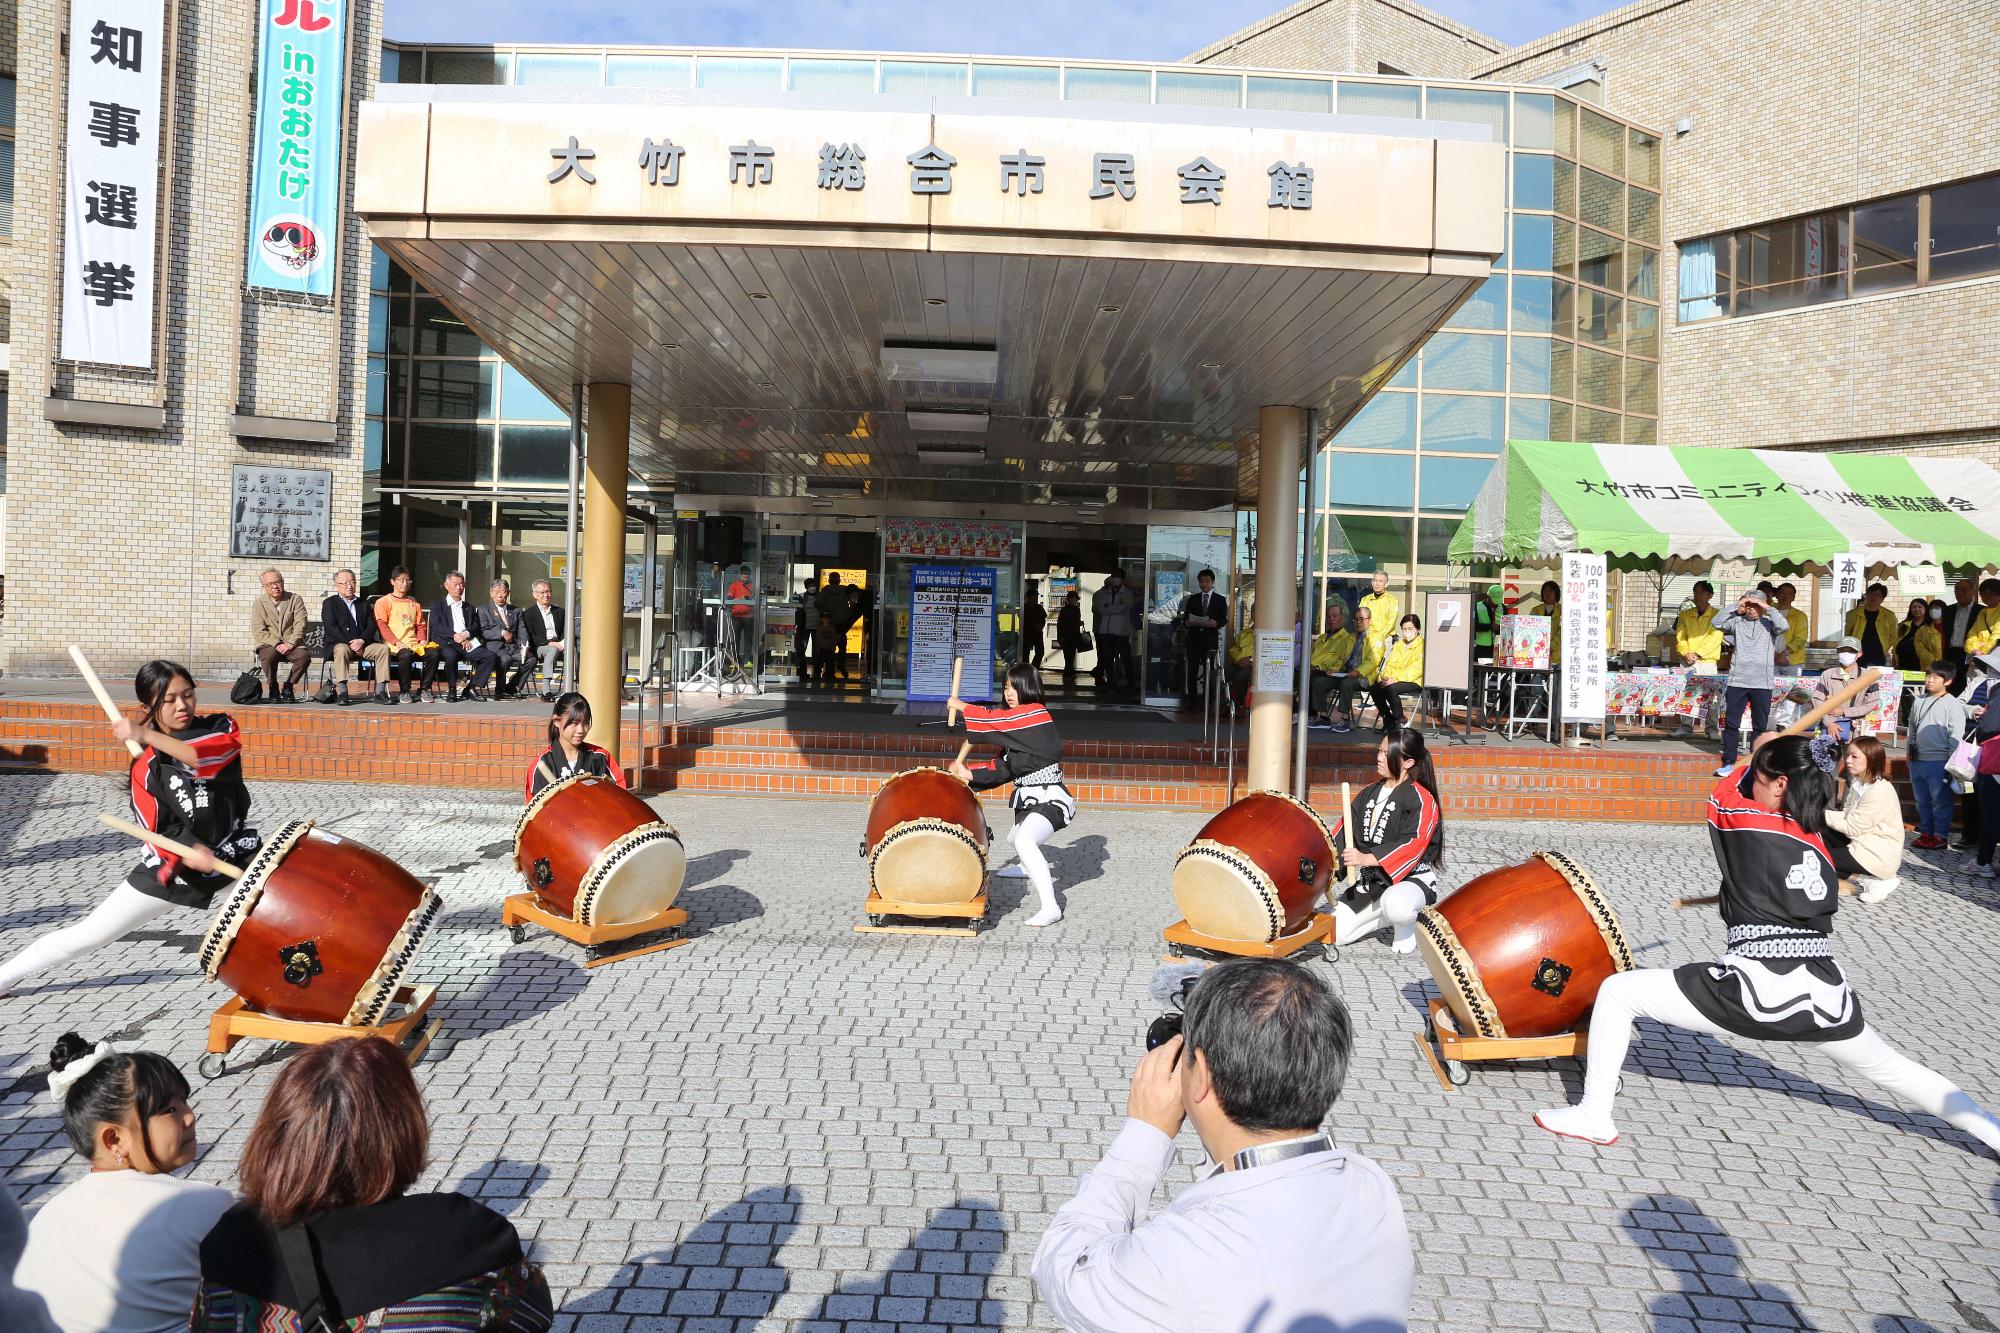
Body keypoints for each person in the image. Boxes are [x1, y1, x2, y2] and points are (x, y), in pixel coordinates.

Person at [1534, 735, 2000, 1154]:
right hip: (1825, 991)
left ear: (1780, 784)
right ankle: (1993, 1132)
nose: (1751, 784)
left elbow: (1721, 794)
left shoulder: (1752, 826)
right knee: (1894, 1068)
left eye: (1760, 778)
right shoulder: (1817, 837)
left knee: (1619, 992)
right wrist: (1769, 756)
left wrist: (1752, 755)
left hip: (1758, 984)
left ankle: (1594, 1114)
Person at [1031, 959, 1412, 1332]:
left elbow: (1062, 1268)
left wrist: (1144, 1135)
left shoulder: (1179, 1256)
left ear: (1202, 1076)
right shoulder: (1371, 1188)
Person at [192, 1037, 553, 1329]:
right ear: (401, 1130)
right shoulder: (466, 1233)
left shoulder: (234, 1237)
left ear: (278, 1132)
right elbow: (532, 1317)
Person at [0, 661, 258, 996]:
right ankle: (6, 975)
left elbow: (202, 757)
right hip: (176, 870)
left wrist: (144, 734)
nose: (182, 706)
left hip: (235, 852)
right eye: (169, 700)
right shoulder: (145, 768)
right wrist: (188, 849)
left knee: (292, 901)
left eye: (188, 695)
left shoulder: (220, 726)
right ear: (148, 705)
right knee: (89, 935)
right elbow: (159, 830)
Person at [14, 1033, 232, 1333]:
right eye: (169, 1110)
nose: (189, 1117)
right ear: (114, 1139)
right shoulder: (207, 1205)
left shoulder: (48, 1214)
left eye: (184, 1102)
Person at [949, 664, 1075, 927]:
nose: (1009, 693)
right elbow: (1003, 767)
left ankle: (1051, 907)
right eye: (1006, 687)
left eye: (1015, 687)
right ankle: (1026, 867)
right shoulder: (1018, 730)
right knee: (1015, 838)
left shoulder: (1036, 715)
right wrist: (967, 773)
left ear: (1029, 688)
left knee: (1025, 841)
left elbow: (997, 720)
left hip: (1050, 799)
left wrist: (961, 706)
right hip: (1030, 801)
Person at [1327, 727, 1443, 953]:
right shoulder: (1368, 793)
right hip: (1374, 882)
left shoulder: (1421, 799)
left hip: (1411, 881)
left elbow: (1414, 844)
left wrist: (1365, 858)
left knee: (1397, 905)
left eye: (1386, 753)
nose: (1379, 757)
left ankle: (1406, 922)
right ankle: (1385, 916)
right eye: (1379, 751)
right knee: (1334, 934)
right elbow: (1342, 835)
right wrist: (1324, 869)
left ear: (1408, 762)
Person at [1711, 589, 1788, 777]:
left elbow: (1784, 626)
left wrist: (1767, 608)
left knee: (1760, 726)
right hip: (1738, 680)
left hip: (1762, 683)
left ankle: (1756, 762)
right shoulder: (1737, 622)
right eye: (1749, 605)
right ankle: (1729, 762)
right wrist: (1736, 607)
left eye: (1756, 605)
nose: (1752, 609)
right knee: (1731, 723)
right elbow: (1716, 622)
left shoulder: (1770, 624)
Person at [1824, 735, 1904, 903]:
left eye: (1854, 756)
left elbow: (1853, 827)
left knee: (1820, 859)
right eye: (1848, 755)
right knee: (1821, 834)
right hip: (1862, 841)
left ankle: (1877, 880)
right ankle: (1842, 878)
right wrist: (1820, 816)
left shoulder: (1878, 790)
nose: (1848, 760)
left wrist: (1820, 815)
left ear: (1871, 759)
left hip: (1876, 852)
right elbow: (1846, 814)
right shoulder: (1859, 782)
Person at [1907, 661, 1968, 851]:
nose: (1930, 680)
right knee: (1922, 800)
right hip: (1917, 759)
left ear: (1947, 681)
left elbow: (1956, 735)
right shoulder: (1919, 700)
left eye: (1935, 677)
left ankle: (1940, 835)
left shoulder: (1953, 704)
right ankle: (1926, 832)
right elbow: (1911, 728)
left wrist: (1950, 763)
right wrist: (1909, 752)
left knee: (1941, 801)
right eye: (1928, 675)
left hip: (1940, 760)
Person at [525, 692, 627, 800]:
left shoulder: (600, 757)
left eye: (586, 723)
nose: (581, 730)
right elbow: (534, 807)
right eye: (574, 723)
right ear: (557, 721)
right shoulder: (542, 764)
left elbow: (621, 797)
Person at [428, 570, 499, 702]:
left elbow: (476, 626)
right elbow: (437, 626)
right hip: (447, 643)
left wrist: (465, 635)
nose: (459, 587)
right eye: (455, 584)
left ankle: (471, 688)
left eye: (461, 584)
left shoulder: (469, 607)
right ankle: (452, 689)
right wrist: (456, 637)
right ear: (446, 585)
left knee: (490, 656)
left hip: (467, 643)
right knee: (451, 656)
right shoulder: (438, 605)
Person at [249, 568, 309, 704]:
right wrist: (276, 643)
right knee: (269, 655)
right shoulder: (259, 604)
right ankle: (273, 686)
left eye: (277, 582)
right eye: (270, 584)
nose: (275, 586)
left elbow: (301, 624)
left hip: (292, 643)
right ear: (264, 587)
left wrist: (291, 643)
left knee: (303, 656)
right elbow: (259, 630)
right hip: (269, 644)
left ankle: (288, 686)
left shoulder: (295, 599)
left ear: (283, 582)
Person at [373, 564, 431, 704]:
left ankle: (424, 688)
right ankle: (404, 690)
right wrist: (397, 642)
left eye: (408, 580)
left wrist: (422, 638)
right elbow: (382, 626)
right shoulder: (383, 602)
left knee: (434, 653)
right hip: (395, 645)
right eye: (401, 580)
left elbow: (421, 624)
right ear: (392, 581)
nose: (405, 583)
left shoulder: (414, 603)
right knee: (405, 654)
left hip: (414, 644)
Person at [1814, 635, 1881, 744]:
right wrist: (1828, 722)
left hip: (1856, 729)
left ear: (1859, 654)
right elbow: (1817, 700)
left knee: (1854, 753)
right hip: (1830, 727)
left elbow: (1871, 703)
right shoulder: (1827, 675)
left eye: (1851, 651)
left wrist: (1845, 711)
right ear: (1837, 652)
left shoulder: (1868, 676)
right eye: (1842, 650)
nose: (1846, 653)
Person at [1331, 604, 1385, 733]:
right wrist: (1334, 669)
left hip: (1365, 677)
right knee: (1319, 681)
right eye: (1355, 619)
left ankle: (1345, 720)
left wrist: (1358, 672)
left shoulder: (1377, 637)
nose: (1358, 622)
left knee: (1346, 683)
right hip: (1346, 673)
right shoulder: (1351, 637)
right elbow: (1341, 658)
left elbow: (1374, 660)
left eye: (1362, 619)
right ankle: (1321, 716)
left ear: (1369, 620)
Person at [473, 579, 530, 699]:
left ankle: (512, 687)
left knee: (531, 660)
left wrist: (524, 646)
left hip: (513, 646)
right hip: (495, 647)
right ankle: (499, 690)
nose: (500, 595)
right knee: (505, 659)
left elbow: (522, 630)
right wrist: (501, 633)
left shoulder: (516, 610)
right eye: (496, 592)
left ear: (508, 593)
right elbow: (484, 631)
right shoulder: (483, 610)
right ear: (491, 593)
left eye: (503, 592)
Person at [1368, 613, 1425, 730]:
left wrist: (1395, 679)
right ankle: (1388, 718)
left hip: (1414, 680)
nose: (1407, 632)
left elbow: (1416, 669)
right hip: (1394, 679)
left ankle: (1400, 719)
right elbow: (1389, 664)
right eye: (1404, 629)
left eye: (1410, 629)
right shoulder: (1399, 644)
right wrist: (1385, 676)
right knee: (1375, 688)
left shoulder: (1423, 646)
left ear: (1418, 629)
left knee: (1391, 689)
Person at [1178, 570, 1225, 706]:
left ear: (1212, 582)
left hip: (1209, 640)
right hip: (1193, 639)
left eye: (1207, 581)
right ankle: (1192, 700)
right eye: (1201, 581)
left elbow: (1223, 619)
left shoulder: (1220, 599)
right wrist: (1188, 622)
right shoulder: (1192, 599)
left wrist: (1215, 623)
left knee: (1208, 670)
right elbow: (1186, 619)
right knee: (1192, 670)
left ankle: (1207, 700)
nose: (1204, 584)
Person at [1305, 602, 1355, 731]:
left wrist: (1319, 667)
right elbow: (1313, 655)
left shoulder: (1346, 638)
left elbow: (1341, 660)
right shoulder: (1322, 637)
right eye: (1329, 616)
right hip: (1314, 669)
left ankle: (1322, 717)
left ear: (1342, 618)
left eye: (1335, 616)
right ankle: (1298, 712)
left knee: (1316, 681)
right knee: (1297, 676)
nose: (1331, 619)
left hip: (1333, 673)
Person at [523, 578, 567, 701]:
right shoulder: (528, 614)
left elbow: (566, 630)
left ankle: (572, 687)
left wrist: (562, 643)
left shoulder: (560, 611)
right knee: (552, 649)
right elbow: (531, 636)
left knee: (573, 651)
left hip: (560, 644)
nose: (546, 595)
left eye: (548, 591)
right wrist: (550, 643)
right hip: (540, 646)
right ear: (534, 595)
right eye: (542, 592)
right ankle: (546, 691)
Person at [1092, 571, 1135, 693]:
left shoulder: (1127, 593)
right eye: (1113, 576)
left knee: (1125, 657)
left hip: (1121, 631)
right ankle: (1110, 681)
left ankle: (1130, 682)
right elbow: (1099, 608)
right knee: (1107, 657)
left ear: (1122, 579)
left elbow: (1123, 608)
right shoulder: (1104, 592)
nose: (1115, 579)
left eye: (1117, 577)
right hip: (1105, 630)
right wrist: (1112, 608)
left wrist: (1108, 607)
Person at [1844, 583, 1898, 669]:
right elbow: (1847, 634)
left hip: (1879, 655)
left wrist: (1884, 648)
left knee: (1876, 677)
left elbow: (1893, 637)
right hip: (1857, 654)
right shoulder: (1852, 614)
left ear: (1882, 599)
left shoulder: (1889, 615)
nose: (1873, 597)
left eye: (1877, 595)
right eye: (1870, 594)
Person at [1943, 577, 1982, 682]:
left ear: (1972, 591)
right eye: (1957, 590)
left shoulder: (1982, 611)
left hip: (1970, 654)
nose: (1960, 593)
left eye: (1964, 590)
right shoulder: (1947, 610)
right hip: (1950, 653)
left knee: (1968, 683)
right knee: (1950, 683)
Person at [813, 571, 846, 685]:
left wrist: (824, 611)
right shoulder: (844, 591)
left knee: (824, 647)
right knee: (841, 646)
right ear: (839, 580)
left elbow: (817, 603)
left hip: (827, 622)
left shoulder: (825, 590)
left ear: (829, 580)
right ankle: (839, 666)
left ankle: (819, 671)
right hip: (841, 623)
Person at [1893, 596, 1941, 674]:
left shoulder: (1931, 626)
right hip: (1904, 664)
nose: (1917, 609)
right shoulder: (1903, 625)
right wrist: (1894, 660)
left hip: (1924, 665)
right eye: (1914, 607)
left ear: (1926, 609)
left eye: (1920, 607)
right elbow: (1895, 643)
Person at [1357, 569, 1398, 654]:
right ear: (1372, 583)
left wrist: (1378, 636)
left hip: (1385, 639)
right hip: (1367, 638)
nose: (1377, 583)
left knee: (1383, 662)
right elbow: (1360, 619)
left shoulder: (1392, 600)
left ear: (1386, 584)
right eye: (1375, 580)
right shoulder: (1365, 600)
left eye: (1380, 581)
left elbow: (1391, 623)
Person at [1773, 581, 1808, 668]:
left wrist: (1785, 653)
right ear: (1776, 595)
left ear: (1793, 597)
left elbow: (1800, 639)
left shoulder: (1800, 615)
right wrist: (1773, 655)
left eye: (1789, 593)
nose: (1785, 596)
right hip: (1770, 660)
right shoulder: (1768, 612)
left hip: (1792, 661)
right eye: (1782, 593)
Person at [1223, 620, 1255, 709]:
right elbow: (1234, 649)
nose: (1253, 614)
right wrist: (1238, 660)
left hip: (1253, 666)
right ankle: (1223, 704)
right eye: (1252, 613)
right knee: (1221, 675)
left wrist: (1250, 659)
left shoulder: (1265, 634)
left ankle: (1237, 707)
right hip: (1239, 664)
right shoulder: (1244, 633)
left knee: (1241, 676)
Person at [1966, 577, 2000, 660]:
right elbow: (1972, 634)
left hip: (1993, 657)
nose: (1985, 598)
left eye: (1989, 595)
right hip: (1980, 656)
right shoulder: (1982, 612)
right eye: (1982, 595)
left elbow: (1996, 637)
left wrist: (1983, 651)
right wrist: (1974, 648)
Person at [1057, 589, 1085, 682]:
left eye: (1075, 599)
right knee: (1068, 656)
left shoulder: (1075, 609)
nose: (1073, 601)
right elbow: (1060, 624)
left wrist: (1079, 623)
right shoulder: (1065, 610)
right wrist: (1060, 636)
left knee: (1070, 655)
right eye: (1072, 599)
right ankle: (1068, 673)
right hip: (1066, 636)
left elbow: (1063, 623)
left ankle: (1069, 673)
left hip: (1073, 636)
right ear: (1068, 600)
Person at [1472, 583, 1501, 664]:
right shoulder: (1476, 607)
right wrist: (1490, 627)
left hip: (1498, 647)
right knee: (1481, 670)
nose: (1496, 603)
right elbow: (1473, 626)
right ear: (1487, 597)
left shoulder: (1502, 608)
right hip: (1481, 647)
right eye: (1494, 600)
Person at [1023, 582, 1048, 672]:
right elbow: (1023, 619)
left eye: (1036, 597)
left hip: (1037, 633)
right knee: (1025, 653)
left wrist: (1040, 625)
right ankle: (1026, 670)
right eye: (1033, 597)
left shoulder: (1039, 608)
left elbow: (1044, 619)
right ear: (1029, 598)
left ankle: (1033, 669)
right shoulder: (1025, 608)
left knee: (1040, 652)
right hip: (1027, 633)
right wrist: (1034, 623)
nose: (1035, 598)